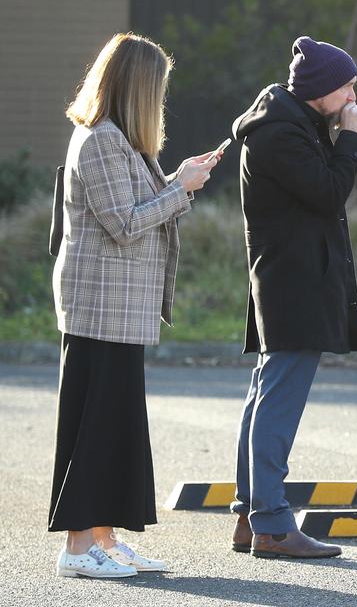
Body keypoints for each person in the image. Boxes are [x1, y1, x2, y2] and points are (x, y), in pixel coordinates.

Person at [51, 33, 219, 578]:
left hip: (120, 311)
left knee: (115, 426)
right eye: (158, 88)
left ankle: (104, 537)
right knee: (95, 426)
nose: (161, 100)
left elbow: (135, 209)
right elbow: (124, 225)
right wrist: (182, 189)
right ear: (136, 87)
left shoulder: (121, 142)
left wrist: (176, 181)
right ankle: (78, 548)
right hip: (100, 309)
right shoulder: (99, 140)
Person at [228, 36, 357, 559]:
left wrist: (335, 133)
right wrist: (350, 139)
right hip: (293, 283)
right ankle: (272, 525)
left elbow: (318, 192)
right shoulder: (281, 133)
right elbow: (329, 192)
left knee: (266, 394)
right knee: (277, 402)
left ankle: (250, 516)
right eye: (347, 85)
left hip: (288, 278)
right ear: (322, 89)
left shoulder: (291, 124)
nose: (354, 95)